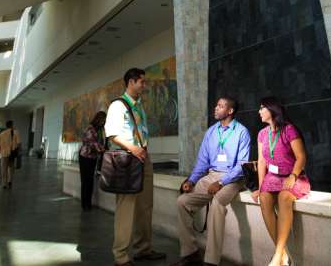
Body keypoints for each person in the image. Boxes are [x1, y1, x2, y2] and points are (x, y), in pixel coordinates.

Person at [171, 97, 251, 266]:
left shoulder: (241, 132)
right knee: (182, 202)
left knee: (217, 204)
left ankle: (211, 261)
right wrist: (191, 181)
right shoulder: (211, 132)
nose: (215, 108)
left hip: (233, 178)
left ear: (230, 111)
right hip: (211, 175)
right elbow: (202, 161)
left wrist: (221, 183)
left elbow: (241, 165)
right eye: (216, 105)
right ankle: (190, 253)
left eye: (220, 106)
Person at [104, 68, 166, 266]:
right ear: (131, 82)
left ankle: (143, 248)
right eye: (142, 82)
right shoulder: (118, 105)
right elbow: (112, 134)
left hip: (142, 159)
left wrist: (142, 152)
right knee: (126, 209)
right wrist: (134, 149)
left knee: (145, 206)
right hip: (128, 160)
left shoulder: (139, 106)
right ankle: (121, 256)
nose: (144, 86)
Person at [251, 97, 310, 266]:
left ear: (272, 110)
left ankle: (277, 255)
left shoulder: (289, 130)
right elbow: (261, 162)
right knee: (264, 198)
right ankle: (283, 254)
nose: (259, 111)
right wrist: (260, 186)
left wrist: (293, 176)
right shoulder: (262, 134)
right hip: (272, 178)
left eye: (262, 108)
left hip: (293, 176)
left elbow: (301, 157)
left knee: (284, 197)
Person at [79, 111, 106, 211]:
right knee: (85, 181)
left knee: (90, 181)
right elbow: (92, 143)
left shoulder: (100, 130)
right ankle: (84, 204)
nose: (104, 122)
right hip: (85, 157)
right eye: (103, 120)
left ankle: (88, 204)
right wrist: (103, 149)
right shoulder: (90, 128)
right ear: (98, 119)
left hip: (93, 157)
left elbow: (101, 142)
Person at [0, 120, 21, 189]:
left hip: (3, 153)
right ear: (12, 125)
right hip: (12, 153)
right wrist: (19, 151)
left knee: (4, 169)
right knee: (11, 168)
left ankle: (4, 183)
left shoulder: (2, 133)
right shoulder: (16, 132)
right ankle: (10, 181)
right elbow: (19, 143)